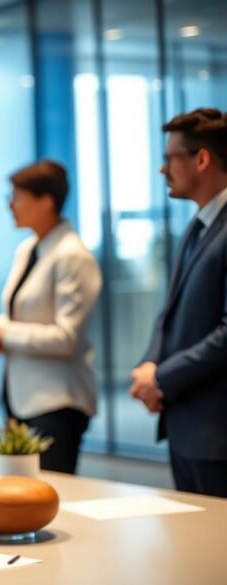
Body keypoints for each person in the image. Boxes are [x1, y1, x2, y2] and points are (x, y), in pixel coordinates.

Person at [0, 161, 101, 474]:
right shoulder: (28, 248)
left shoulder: (73, 255)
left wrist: (5, 335)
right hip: (21, 396)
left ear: (46, 201)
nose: (10, 205)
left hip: (56, 401)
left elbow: (66, 338)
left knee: (49, 496)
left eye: (17, 197)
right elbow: (14, 313)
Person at [130, 109, 227, 497]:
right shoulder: (197, 226)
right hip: (187, 426)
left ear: (201, 159)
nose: (162, 169)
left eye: (170, 158)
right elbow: (169, 312)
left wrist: (162, 378)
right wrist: (151, 364)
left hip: (216, 433)